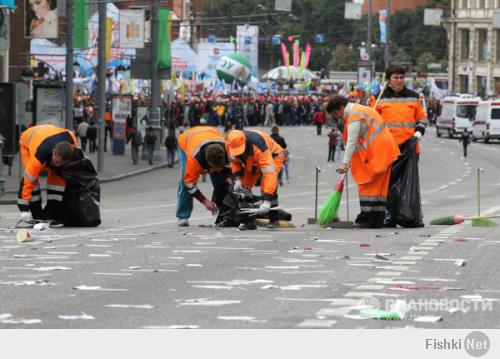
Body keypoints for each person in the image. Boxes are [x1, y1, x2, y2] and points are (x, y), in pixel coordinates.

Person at [327, 96, 400, 229]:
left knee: (367, 184)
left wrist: (344, 163)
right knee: (379, 187)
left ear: (341, 108)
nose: (337, 117)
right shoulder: (359, 110)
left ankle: (366, 217)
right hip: (384, 150)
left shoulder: (354, 115)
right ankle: (376, 218)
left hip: (378, 152)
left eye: (336, 113)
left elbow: (352, 141)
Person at [374, 64, 428, 227]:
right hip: (388, 149)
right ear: (388, 80)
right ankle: (390, 214)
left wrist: (419, 131)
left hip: (410, 149)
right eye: (395, 77)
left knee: (406, 184)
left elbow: (422, 118)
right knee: (389, 184)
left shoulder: (414, 97)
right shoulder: (378, 98)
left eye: (401, 77)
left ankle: (405, 214)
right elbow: (372, 122)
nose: (399, 80)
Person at [225, 129, 286, 229]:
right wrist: (238, 178)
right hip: (251, 160)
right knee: (243, 189)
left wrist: (266, 201)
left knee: (269, 185)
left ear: (245, 142)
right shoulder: (229, 144)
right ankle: (247, 221)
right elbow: (234, 162)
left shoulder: (258, 145)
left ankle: (274, 219)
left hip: (273, 156)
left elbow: (269, 174)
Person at [17, 124, 77, 221]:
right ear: (53, 152)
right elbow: (27, 180)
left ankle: (52, 214)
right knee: (33, 179)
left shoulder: (71, 142)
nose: (57, 165)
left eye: (61, 163)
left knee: (58, 178)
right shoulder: (39, 156)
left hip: (47, 133)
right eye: (56, 162)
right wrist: (24, 209)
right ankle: (36, 215)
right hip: (27, 140)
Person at [176, 126, 231, 227]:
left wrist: (229, 178)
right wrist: (204, 201)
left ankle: (224, 212)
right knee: (185, 181)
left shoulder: (227, 151)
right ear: (208, 164)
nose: (218, 170)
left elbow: (233, 169)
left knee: (222, 180)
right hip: (187, 141)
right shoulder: (194, 159)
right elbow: (189, 184)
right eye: (215, 168)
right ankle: (183, 215)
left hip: (211, 134)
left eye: (220, 166)